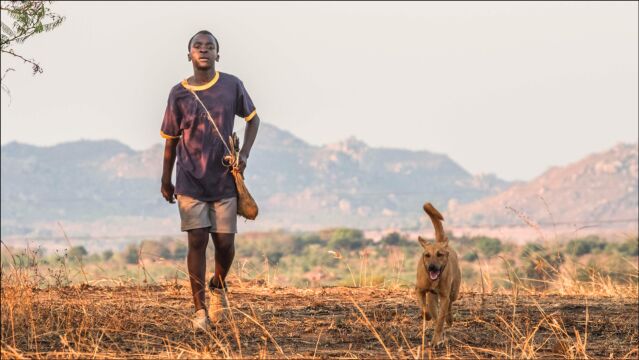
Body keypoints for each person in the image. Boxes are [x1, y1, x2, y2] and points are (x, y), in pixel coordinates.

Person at [160, 30, 260, 330]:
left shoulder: (232, 85)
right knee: (197, 240)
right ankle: (200, 310)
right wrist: (166, 179)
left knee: (225, 243)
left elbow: (253, 120)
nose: (203, 50)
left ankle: (218, 285)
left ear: (218, 53)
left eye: (210, 46)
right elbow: (171, 140)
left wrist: (245, 156)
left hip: (223, 180)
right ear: (189, 54)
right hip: (189, 179)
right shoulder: (178, 93)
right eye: (197, 46)